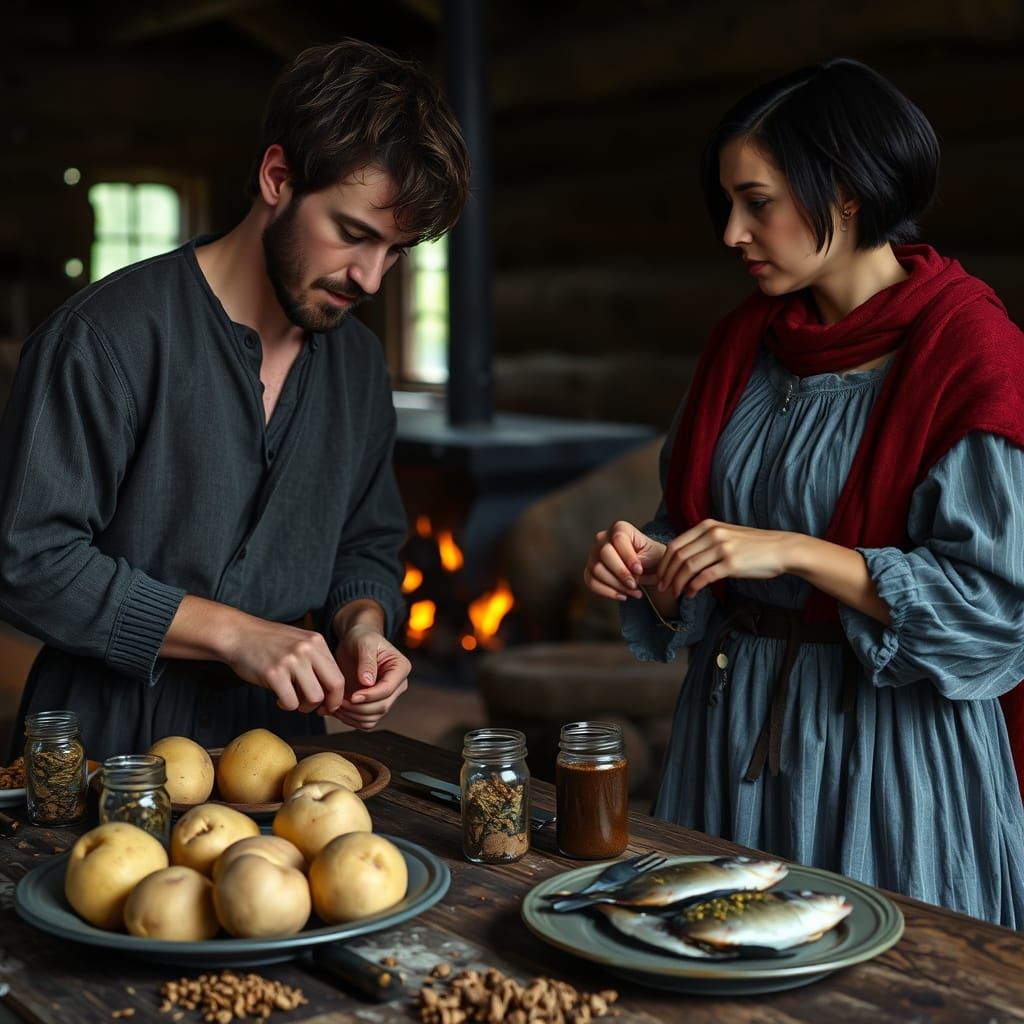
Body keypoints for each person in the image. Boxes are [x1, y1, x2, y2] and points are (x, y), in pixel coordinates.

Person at [584, 57, 1024, 928]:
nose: (733, 234)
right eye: (729, 205)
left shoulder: (972, 351)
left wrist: (791, 551)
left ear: (849, 193)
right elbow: (699, 529)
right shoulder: (742, 347)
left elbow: (993, 610)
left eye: (759, 202)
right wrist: (657, 563)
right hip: (726, 734)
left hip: (888, 757)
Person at [0, 39, 470, 761]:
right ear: (277, 177)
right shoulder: (104, 337)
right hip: (100, 746)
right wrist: (233, 632)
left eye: (397, 251)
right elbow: (28, 561)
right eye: (353, 234)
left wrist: (363, 626)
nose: (372, 279)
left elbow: (365, 545)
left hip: (285, 750)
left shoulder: (359, 365)